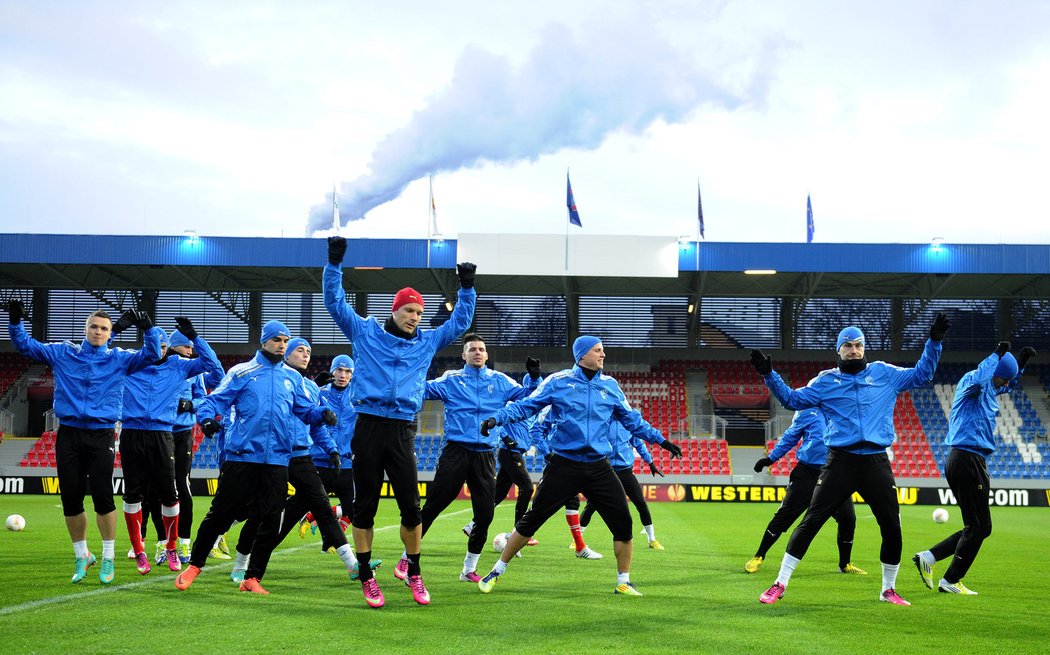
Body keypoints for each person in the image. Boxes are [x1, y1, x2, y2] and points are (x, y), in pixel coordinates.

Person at [750, 313, 951, 606]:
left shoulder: (885, 373)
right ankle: (779, 583)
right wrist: (770, 374)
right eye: (848, 345)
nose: (853, 350)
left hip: (876, 463)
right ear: (838, 349)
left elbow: (922, 374)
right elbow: (792, 400)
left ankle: (888, 589)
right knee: (811, 521)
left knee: (892, 527)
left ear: (864, 348)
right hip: (840, 462)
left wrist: (935, 342)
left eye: (858, 345)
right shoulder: (825, 381)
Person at [323, 235, 476, 608]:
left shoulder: (426, 342)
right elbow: (335, 303)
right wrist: (334, 263)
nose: (416, 317)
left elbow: (460, 323)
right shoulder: (365, 332)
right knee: (365, 508)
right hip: (369, 426)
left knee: (411, 507)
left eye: (420, 313)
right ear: (395, 310)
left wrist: (467, 287)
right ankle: (367, 576)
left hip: (403, 428)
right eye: (410, 311)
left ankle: (414, 572)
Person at [476, 336, 683, 596]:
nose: (603, 355)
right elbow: (525, 406)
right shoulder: (558, 381)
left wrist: (661, 441)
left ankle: (623, 581)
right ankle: (497, 570)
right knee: (532, 520)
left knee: (624, 523)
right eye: (598, 350)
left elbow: (634, 422)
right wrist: (498, 418)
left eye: (603, 350)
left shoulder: (610, 386)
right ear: (582, 355)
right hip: (564, 465)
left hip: (599, 467)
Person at [7, 301, 161, 585]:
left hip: (102, 434)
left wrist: (149, 329)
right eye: (94, 326)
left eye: (104, 328)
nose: (98, 332)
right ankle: (82, 555)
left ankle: (108, 558)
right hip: (69, 433)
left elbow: (152, 355)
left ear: (110, 333)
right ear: (85, 328)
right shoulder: (64, 352)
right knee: (71, 498)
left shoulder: (119, 358)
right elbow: (27, 346)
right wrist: (15, 321)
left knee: (103, 496)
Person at [174, 321, 334, 593]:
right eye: (277, 340)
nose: (282, 345)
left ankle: (252, 578)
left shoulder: (292, 378)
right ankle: (194, 566)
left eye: (285, 340)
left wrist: (321, 415)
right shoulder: (242, 372)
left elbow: (306, 411)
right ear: (264, 342)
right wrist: (206, 419)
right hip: (243, 456)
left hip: (277, 460)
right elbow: (215, 401)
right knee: (221, 513)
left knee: (270, 520)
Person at [230, 338, 358, 593]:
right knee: (261, 514)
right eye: (300, 350)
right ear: (286, 354)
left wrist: (332, 450)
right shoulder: (272, 380)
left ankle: (352, 563)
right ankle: (240, 565)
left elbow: (315, 424)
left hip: (301, 455)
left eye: (309, 351)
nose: (306, 354)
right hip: (274, 456)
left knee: (323, 506)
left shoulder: (310, 388)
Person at [415, 334, 540, 583]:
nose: (477, 352)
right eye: (472, 349)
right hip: (456, 451)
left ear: (486, 354)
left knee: (484, 514)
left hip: (485, 455)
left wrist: (535, 377)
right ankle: (408, 559)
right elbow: (423, 389)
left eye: (481, 349)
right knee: (433, 507)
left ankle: (468, 569)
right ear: (464, 355)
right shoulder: (452, 379)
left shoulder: (500, 381)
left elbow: (529, 398)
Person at [913, 342, 1034, 595]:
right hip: (967, 459)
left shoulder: (990, 388)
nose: (1003, 386)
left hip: (970, 460)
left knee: (979, 527)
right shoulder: (974, 381)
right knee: (978, 527)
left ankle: (930, 557)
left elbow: (1001, 384)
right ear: (994, 373)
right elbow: (982, 377)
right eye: (1002, 379)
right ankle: (950, 580)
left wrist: (1019, 366)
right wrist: (995, 355)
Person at [118, 317, 222, 576]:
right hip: (135, 433)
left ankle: (177, 545)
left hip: (171, 433)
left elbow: (216, 374)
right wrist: (117, 328)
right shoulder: (131, 362)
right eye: (156, 345)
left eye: (163, 346)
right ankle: (145, 547)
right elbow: (100, 355)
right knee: (140, 493)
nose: (159, 351)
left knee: (174, 491)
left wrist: (197, 337)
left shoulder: (182, 367)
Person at [746, 407, 864, 575]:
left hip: (835, 474)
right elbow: (790, 437)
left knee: (848, 518)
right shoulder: (808, 412)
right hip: (807, 473)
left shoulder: (843, 409)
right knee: (784, 516)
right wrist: (770, 459)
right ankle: (759, 555)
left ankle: (844, 564)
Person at [168, 326, 225, 563]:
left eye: (192, 347)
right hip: (155, 433)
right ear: (172, 347)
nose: (191, 351)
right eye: (186, 347)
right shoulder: (159, 367)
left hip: (182, 433)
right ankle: (157, 544)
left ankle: (183, 544)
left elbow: (211, 387)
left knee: (182, 487)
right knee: (154, 490)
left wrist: (191, 405)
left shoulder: (193, 372)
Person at [579, 421, 666, 551]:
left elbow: (638, 444)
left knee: (641, 504)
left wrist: (651, 463)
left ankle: (652, 539)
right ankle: (577, 540)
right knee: (592, 505)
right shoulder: (602, 421)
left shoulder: (628, 424)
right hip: (605, 471)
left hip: (625, 471)